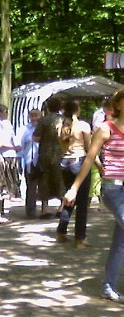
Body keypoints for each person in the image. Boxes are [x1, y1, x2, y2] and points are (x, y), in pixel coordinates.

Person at [64, 89, 124, 301]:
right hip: (113, 189)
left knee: (120, 242)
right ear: (118, 105)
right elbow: (89, 159)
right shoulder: (105, 129)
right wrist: (74, 188)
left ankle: (108, 286)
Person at [55, 101, 91, 247]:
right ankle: (80, 238)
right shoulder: (83, 126)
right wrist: (99, 165)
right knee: (82, 203)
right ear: (77, 109)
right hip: (79, 162)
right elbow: (89, 149)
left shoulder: (61, 127)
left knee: (69, 198)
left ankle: (61, 231)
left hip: (64, 162)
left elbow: (62, 146)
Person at [0, 104, 21, 225]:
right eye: (5, 112)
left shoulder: (6, 124)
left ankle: (1, 212)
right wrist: (14, 147)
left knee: (6, 187)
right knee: (0, 185)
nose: (7, 114)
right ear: (0, 113)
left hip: (9, 157)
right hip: (0, 158)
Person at [33, 95, 64, 218]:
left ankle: (45, 209)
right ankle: (61, 208)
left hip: (45, 154)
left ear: (48, 107)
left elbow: (36, 138)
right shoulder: (64, 120)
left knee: (44, 180)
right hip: (61, 153)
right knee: (61, 179)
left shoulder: (43, 120)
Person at [17, 108, 42, 218]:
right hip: (29, 161)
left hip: (42, 160)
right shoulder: (24, 129)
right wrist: (19, 160)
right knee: (31, 187)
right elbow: (20, 146)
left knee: (43, 186)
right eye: (32, 116)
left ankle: (45, 210)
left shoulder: (44, 129)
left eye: (36, 115)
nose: (34, 118)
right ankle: (30, 212)